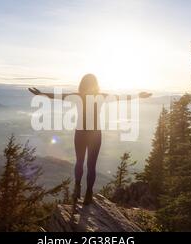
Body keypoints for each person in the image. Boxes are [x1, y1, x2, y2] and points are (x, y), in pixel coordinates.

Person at [28, 74, 151, 205]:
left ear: (82, 84)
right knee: (91, 166)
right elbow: (121, 98)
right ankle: (88, 194)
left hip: (80, 133)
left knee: (79, 162)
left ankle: (77, 187)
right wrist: (138, 95)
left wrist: (41, 94)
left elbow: (58, 96)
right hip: (95, 134)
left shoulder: (77, 96)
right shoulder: (101, 97)